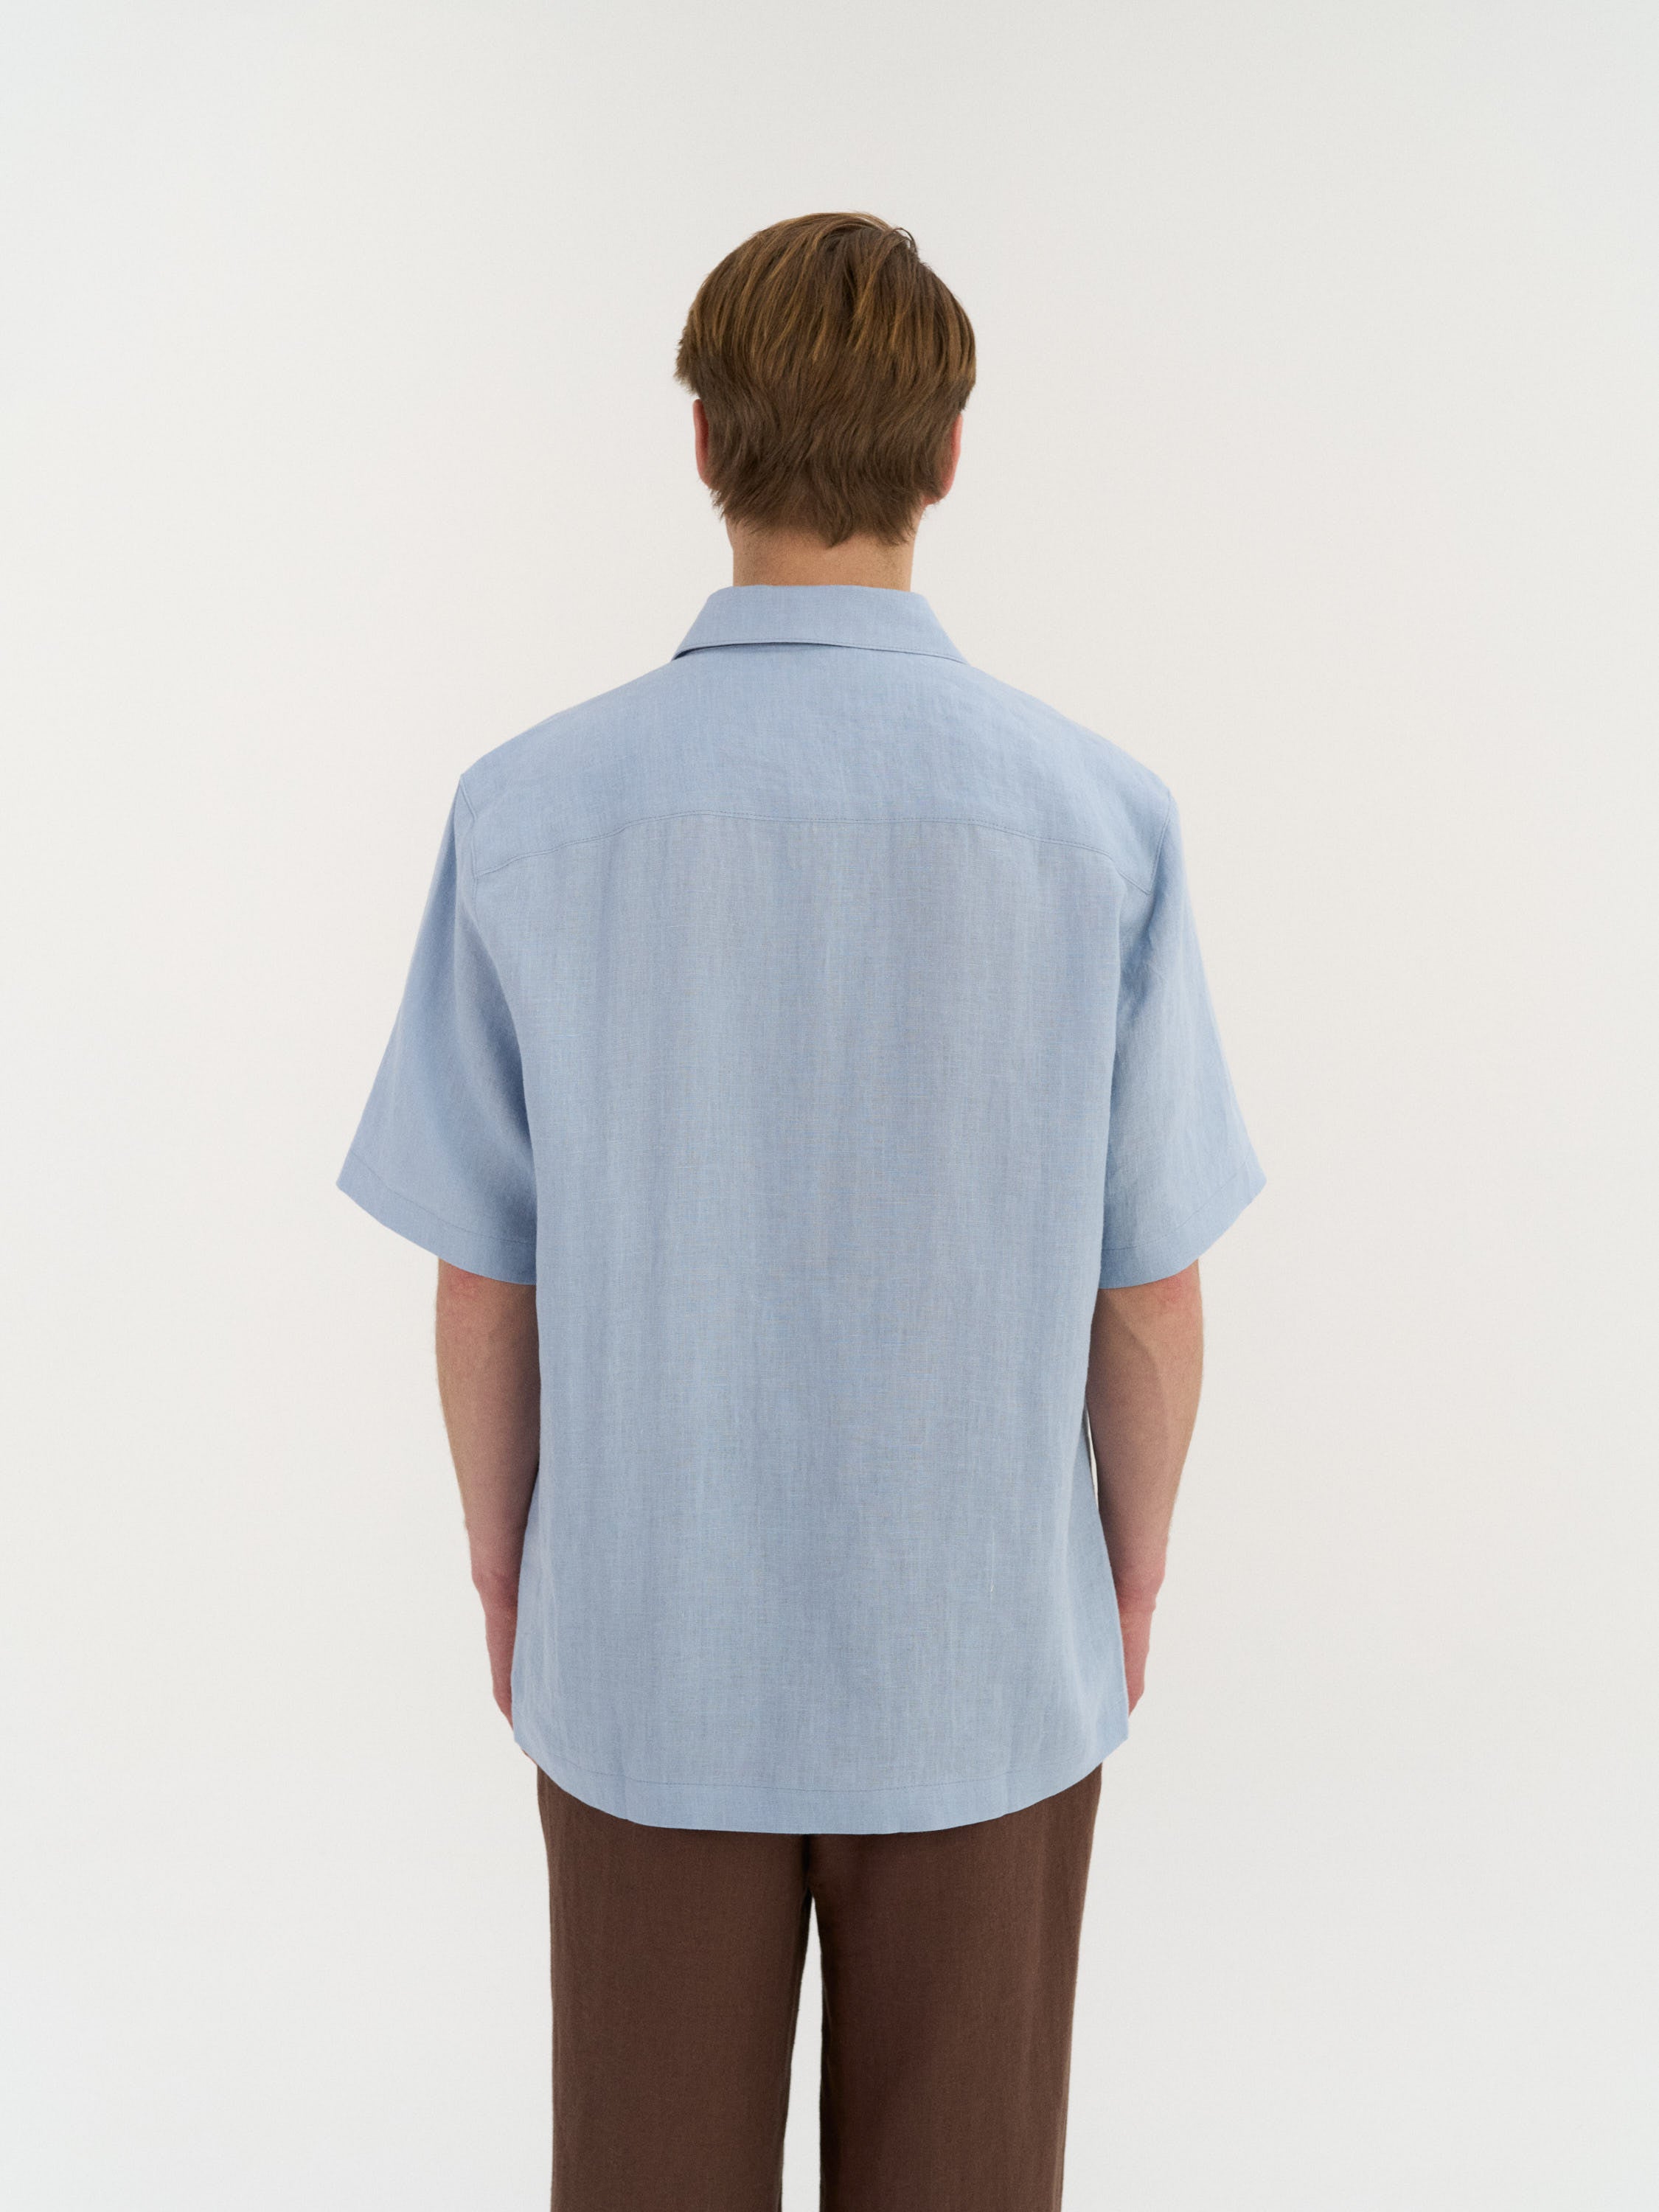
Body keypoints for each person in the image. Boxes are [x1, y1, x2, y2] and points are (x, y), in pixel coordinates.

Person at [338, 211, 1263, 2211]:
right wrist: (1123, 1578)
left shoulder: (530, 809)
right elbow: (1151, 1290)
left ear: (701, 443)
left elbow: (484, 1279)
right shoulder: (1099, 819)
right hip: (981, 1661)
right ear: (950, 455)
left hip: (648, 1651)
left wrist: (511, 1570)